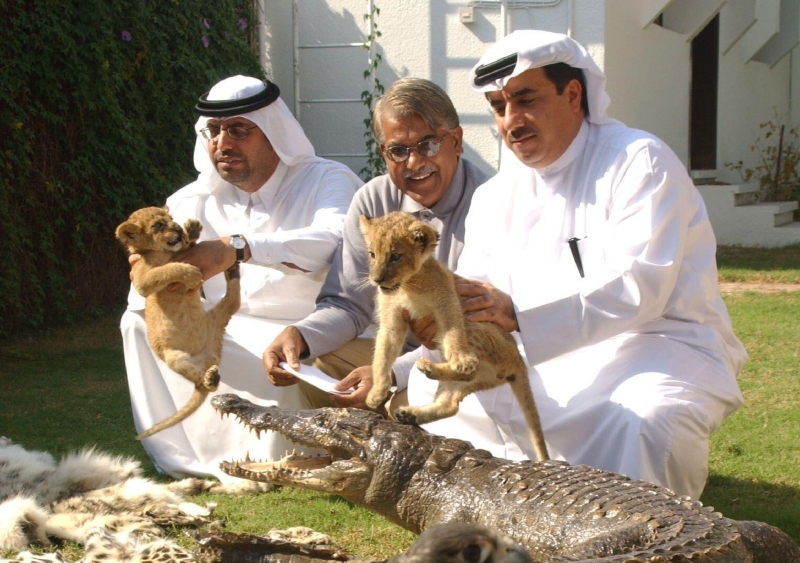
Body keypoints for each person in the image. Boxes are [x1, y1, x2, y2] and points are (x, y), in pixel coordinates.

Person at [404, 30, 748, 501]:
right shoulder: (494, 196)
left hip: (657, 345)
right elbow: (480, 303)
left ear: (573, 95)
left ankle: (645, 552)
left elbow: (642, 287)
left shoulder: (638, 161)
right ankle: (510, 523)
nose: (510, 120)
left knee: (649, 422)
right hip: (534, 352)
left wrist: (518, 315)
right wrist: (430, 337)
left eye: (524, 99)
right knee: (434, 396)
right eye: (499, 107)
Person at [120, 75, 361, 480]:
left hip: (307, 329)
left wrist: (238, 247)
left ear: (273, 131)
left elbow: (333, 239)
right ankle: (185, 458)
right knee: (138, 320)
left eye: (237, 130)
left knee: (274, 350)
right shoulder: (189, 200)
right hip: (225, 328)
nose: (222, 143)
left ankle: (279, 456)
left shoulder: (325, 179)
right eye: (212, 132)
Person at [263, 78, 487, 408]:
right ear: (383, 153)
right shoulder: (373, 200)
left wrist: (390, 375)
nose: (414, 163)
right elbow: (348, 303)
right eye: (398, 151)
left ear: (456, 141)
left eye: (428, 145)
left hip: (466, 355)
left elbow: (476, 328)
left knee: (407, 407)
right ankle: (342, 460)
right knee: (325, 371)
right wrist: (300, 336)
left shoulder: (490, 203)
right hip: (396, 348)